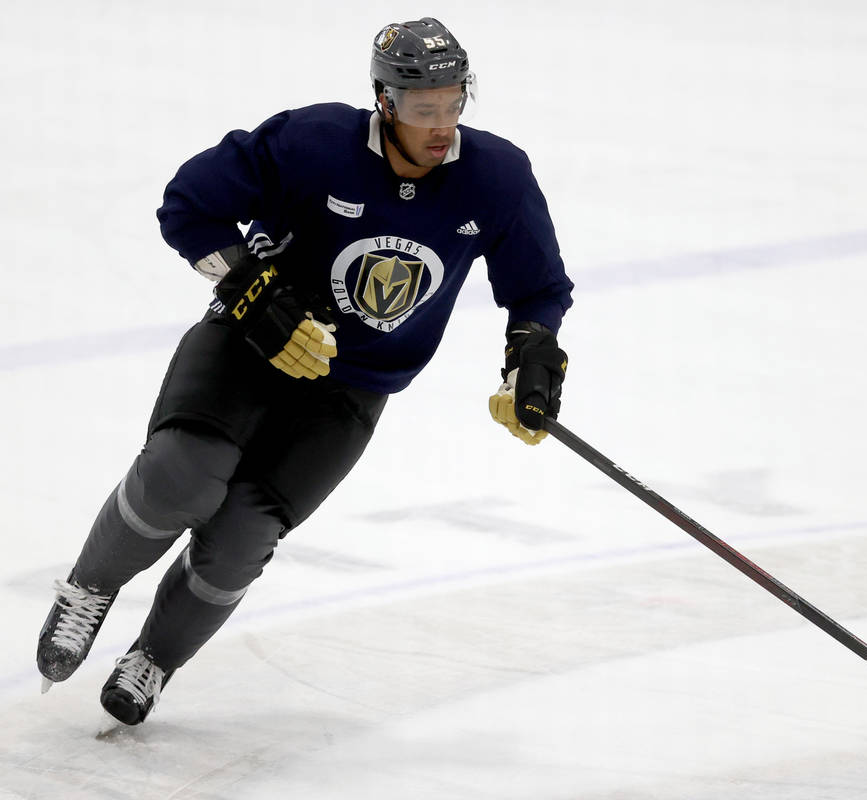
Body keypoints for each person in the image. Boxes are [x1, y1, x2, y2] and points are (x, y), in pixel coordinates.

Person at [35, 17, 573, 726]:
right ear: (384, 103)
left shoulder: (496, 176)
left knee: (242, 539)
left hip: (353, 389)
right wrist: (251, 289)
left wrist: (531, 356)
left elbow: (537, 288)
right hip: (249, 345)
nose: (441, 126)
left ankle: (154, 659)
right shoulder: (314, 144)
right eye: (423, 109)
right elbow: (188, 206)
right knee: (179, 475)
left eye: (453, 104)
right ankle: (89, 587)